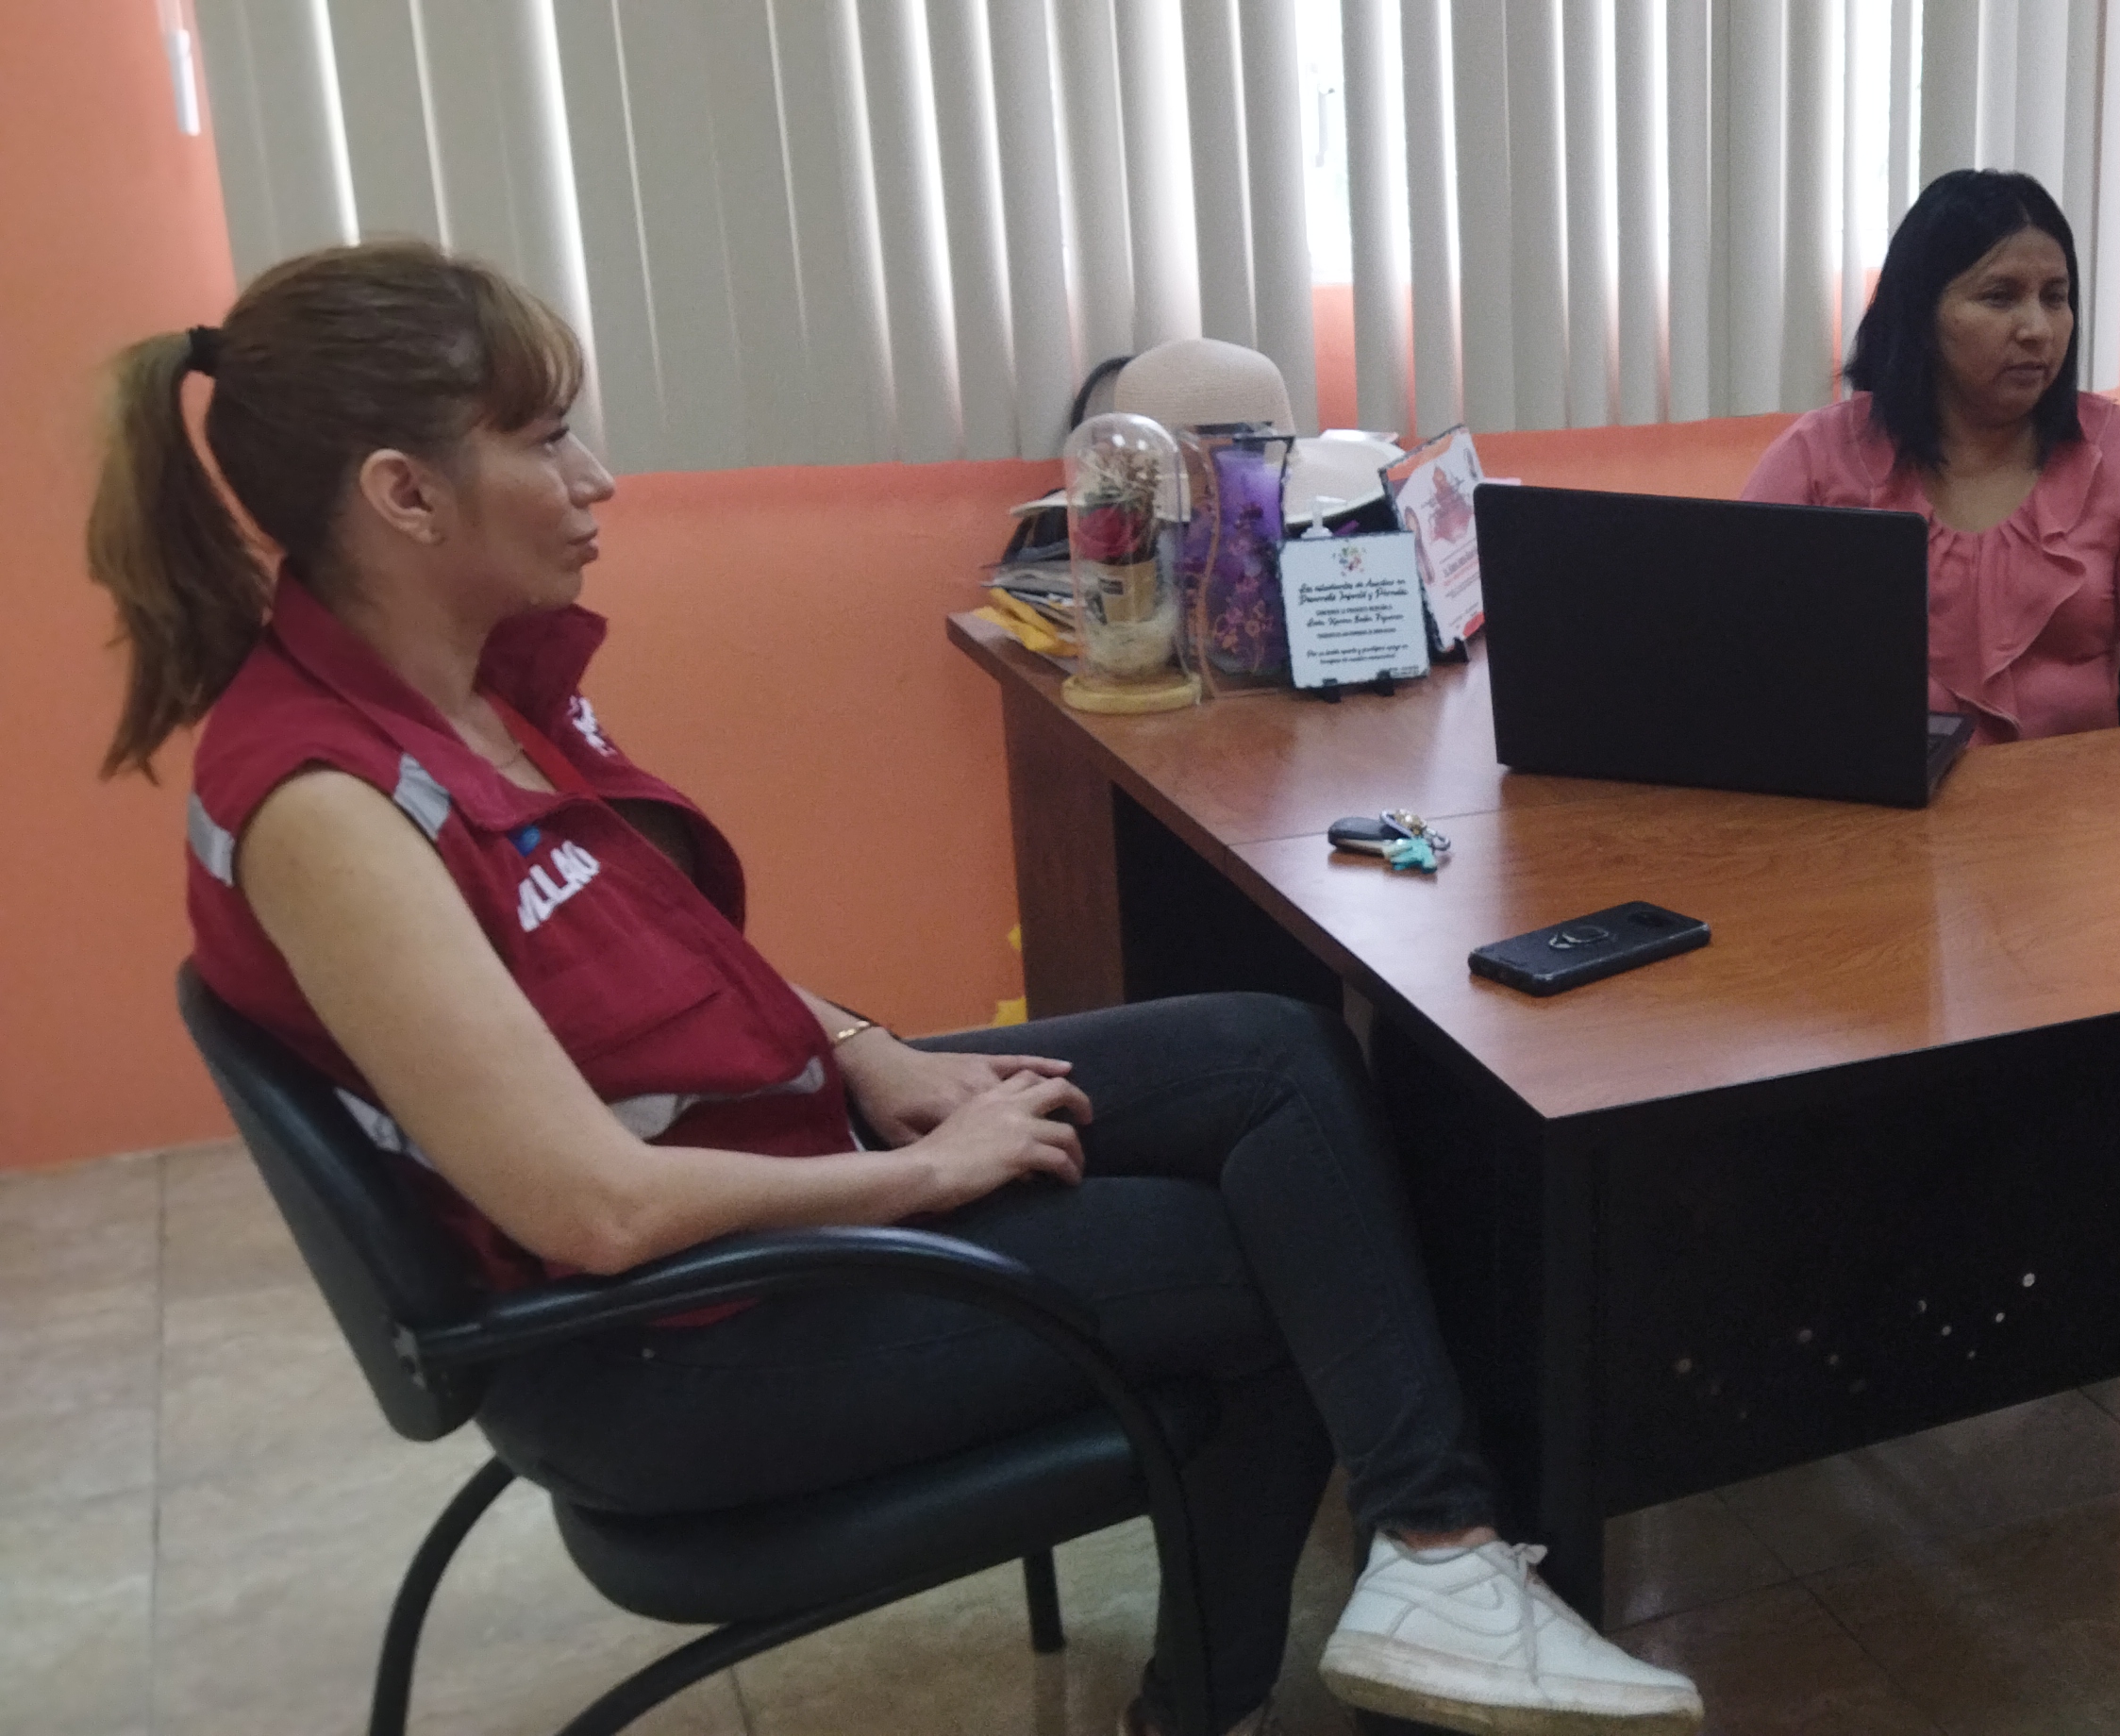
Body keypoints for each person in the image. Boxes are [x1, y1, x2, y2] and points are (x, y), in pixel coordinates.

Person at [93, 242, 1704, 1736]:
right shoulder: (330, 807)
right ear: (403, 493)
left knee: (1274, 1057)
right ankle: (1233, 1690)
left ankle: (1433, 1557)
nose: (597, 478)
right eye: (546, 438)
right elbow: (591, 1205)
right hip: (672, 1350)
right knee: (1273, 1266)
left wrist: (871, 1053)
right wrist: (926, 1177)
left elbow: (661, 949)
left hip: (768, 1178)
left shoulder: (476, 692)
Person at [1743, 169, 2120, 743]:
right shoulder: (1818, 456)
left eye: (2055, 298)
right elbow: (1734, 642)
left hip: (2076, 793)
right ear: (1921, 316)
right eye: (2000, 297)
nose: (2037, 329)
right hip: (1874, 790)